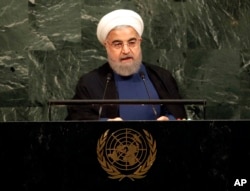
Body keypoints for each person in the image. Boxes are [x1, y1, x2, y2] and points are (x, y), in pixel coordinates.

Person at [65, 9, 187, 121]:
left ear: (140, 42)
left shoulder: (162, 76)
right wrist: (105, 123)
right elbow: (76, 118)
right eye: (117, 44)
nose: (126, 50)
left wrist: (169, 119)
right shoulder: (90, 82)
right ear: (106, 46)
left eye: (132, 42)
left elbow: (178, 113)